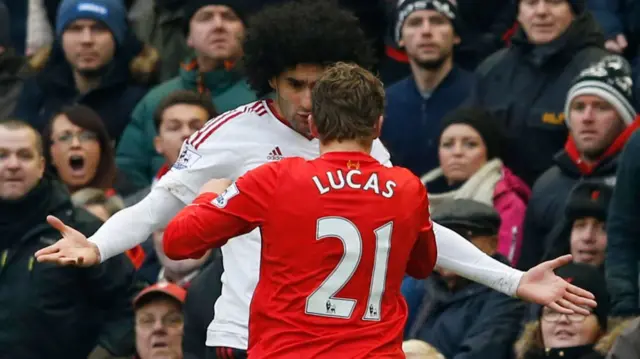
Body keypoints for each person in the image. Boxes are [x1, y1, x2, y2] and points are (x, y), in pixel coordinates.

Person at [36, 1, 595, 357]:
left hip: (348, 341)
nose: (309, 100)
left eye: (319, 82)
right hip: (250, 336)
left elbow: (416, 227)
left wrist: (510, 278)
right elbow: (158, 208)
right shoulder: (229, 134)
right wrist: (100, 245)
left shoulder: (363, 141)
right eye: (295, 84)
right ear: (268, 79)